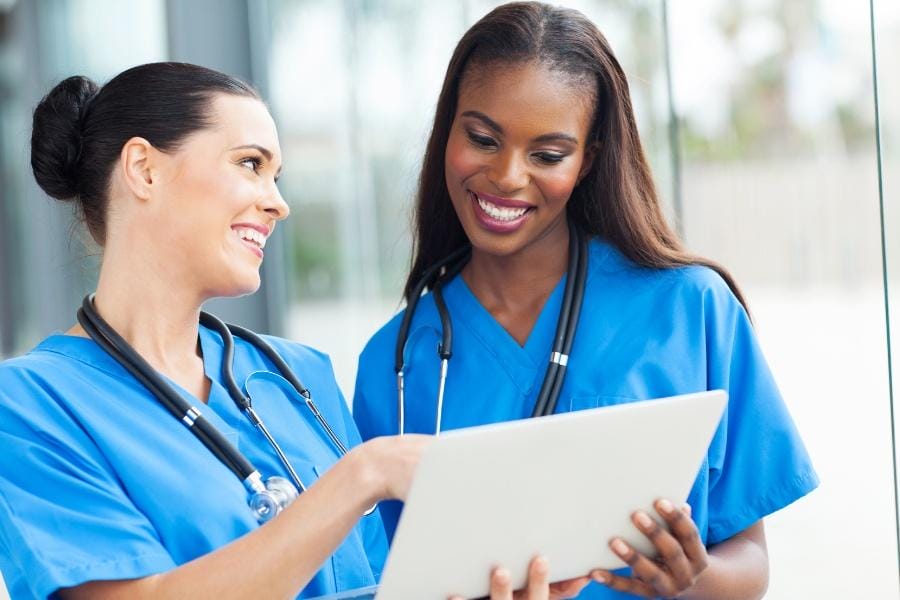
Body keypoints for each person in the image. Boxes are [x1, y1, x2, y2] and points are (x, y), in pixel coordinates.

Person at [0, 62, 584, 600]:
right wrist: (364, 475)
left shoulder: (296, 374)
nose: (278, 204)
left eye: (277, 175)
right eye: (251, 164)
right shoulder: (29, 405)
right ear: (143, 169)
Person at [353, 3, 819, 599]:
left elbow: (749, 564)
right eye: (482, 138)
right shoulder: (391, 364)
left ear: (588, 158)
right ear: (448, 130)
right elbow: (380, 581)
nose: (507, 176)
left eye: (547, 155)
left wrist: (690, 580)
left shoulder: (691, 310)